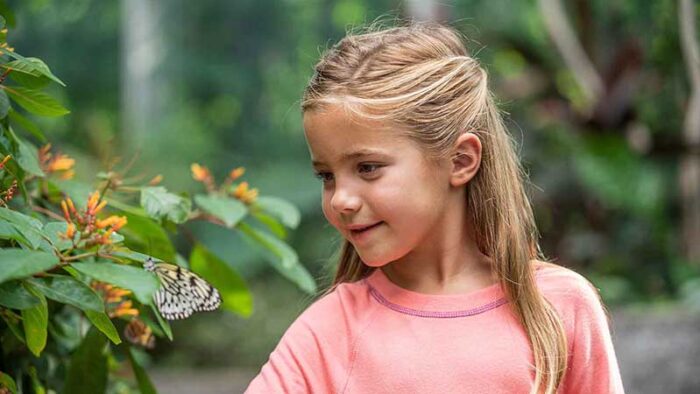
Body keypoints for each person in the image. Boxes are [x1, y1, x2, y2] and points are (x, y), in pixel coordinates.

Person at [245, 22, 624, 394]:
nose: (340, 198)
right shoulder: (327, 334)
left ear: (460, 161)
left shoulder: (559, 307)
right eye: (326, 176)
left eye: (368, 168)